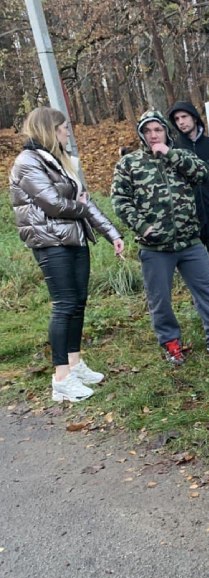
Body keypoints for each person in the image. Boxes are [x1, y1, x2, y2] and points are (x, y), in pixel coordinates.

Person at [9, 107, 125, 402]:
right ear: (50, 129)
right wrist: (81, 207)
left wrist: (112, 234)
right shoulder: (27, 162)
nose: (66, 133)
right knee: (64, 305)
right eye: (62, 128)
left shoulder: (60, 161)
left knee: (78, 303)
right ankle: (61, 378)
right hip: (50, 243)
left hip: (74, 240)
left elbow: (85, 200)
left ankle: (74, 364)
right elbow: (53, 204)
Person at [111, 110, 209, 365]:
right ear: (141, 135)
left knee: (208, 290)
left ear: (166, 132)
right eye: (147, 131)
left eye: (157, 130)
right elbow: (120, 200)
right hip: (155, 246)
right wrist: (142, 226)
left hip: (190, 240)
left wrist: (171, 154)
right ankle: (171, 343)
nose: (153, 135)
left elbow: (203, 174)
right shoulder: (130, 163)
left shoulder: (181, 156)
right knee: (160, 299)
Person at [167, 101, 209, 315]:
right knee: (197, 271)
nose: (181, 122)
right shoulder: (175, 150)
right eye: (177, 120)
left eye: (184, 117)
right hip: (189, 225)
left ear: (194, 118)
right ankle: (204, 310)